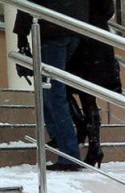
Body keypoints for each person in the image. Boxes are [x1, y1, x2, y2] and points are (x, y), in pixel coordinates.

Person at [13, 0, 89, 171]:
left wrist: (21, 36)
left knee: (53, 93)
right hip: (73, 27)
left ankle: (69, 154)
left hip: (53, 29)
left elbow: (27, 2)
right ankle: (58, 137)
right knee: (48, 89)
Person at [65, 0, 121, 168]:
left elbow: (106, 10)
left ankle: (85, 130)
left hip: (84, 39)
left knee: (64, 87)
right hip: (95, 37)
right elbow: (108, 10)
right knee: (86, 95)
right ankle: (94, 145)